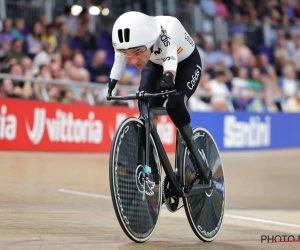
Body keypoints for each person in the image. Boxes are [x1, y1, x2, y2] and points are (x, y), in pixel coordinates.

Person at [107, 11, 211, 181]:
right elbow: (118, 64)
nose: (133, 60)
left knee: (174, 105)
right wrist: (111, 84)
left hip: (186, 64)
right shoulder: (128, 40)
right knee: (145, 102)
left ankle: (195, 153)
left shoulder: (169, 27)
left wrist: (169, 76)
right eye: (128, 54)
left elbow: (170, 59)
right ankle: (151, 166)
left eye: (137, 52)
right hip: (155, 64)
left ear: (148, 41)